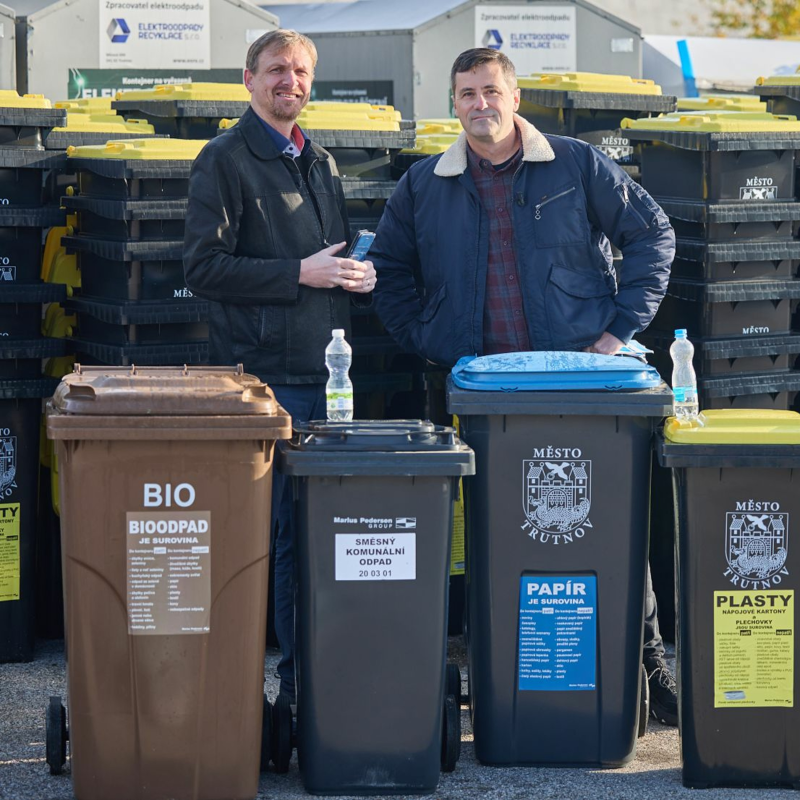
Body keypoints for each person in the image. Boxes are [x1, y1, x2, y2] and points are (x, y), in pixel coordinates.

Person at [370, 47, 678, 725]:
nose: (480, 104)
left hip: (581, 387)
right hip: (488, 393)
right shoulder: (425, 184)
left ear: (515, 97)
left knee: (607, 524)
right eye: (466, 94)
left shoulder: (572, 162)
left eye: (490, 90)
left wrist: (617, 333)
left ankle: (647, 663)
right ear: (454, 103)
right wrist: (434, 341)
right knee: (502, 531)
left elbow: (652, 232)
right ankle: (511, 670)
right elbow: (388, 271)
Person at [183, 29, 376, 702]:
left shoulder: (318, 160)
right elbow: (202, 267)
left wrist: (352, 275)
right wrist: (300, 272)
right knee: (287, 542)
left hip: (329, 376)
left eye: (299, 71)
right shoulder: (224, 160)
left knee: (326, 533)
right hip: (265, 379)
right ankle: (294, 691)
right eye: (275, 71)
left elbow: (326, 262)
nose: (288, 81)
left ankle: (325, 679)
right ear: (248, 80)